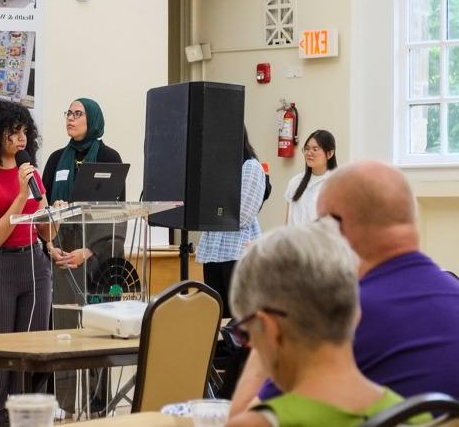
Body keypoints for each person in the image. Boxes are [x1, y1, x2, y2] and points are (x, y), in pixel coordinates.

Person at [230, 160, 459, 416]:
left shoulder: (340, 312)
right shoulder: (453, 292)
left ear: (334, 225)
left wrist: (267, 315)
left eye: (319, 225)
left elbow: (244, 418)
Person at [226, 220, 409, 427]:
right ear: (356, 314)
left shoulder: (259, 423)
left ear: (271, 329)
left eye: (247, 334)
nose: (250, 344)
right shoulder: (420, 416)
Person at [0, 100, 60, 425]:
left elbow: (46, 232)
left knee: (31, 357)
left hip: (34, 265)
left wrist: (54, 214)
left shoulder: (30, 174)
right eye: (13, 132)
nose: (21, 139)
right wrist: (20, 195)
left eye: (24, 132)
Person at [42, 98, 124, 416]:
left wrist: (89, 250)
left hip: (96, 255)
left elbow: (116, 213)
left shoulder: (108, 157)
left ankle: (97, 405)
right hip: (61, 253)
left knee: (97, 331)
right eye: (69, 113)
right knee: (64, 332)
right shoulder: (54, 160)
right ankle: (63, 405)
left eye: (78, 114)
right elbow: (43, 208)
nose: (71, 119)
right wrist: (50, 246)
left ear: (93, 119)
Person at [196, 126, 265, 318]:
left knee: (239, 316)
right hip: (213, 251)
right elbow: (201, 208)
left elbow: (242, 214)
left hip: (238, 251)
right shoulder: (215, 169)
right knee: (215, 315)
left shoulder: (250, 167)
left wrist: (214, 208)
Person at [284, 129, 336, 226]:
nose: (309, 153)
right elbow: (288, 222)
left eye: (315, 149)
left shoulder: (336, 184)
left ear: (330, 153)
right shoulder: (295, 182)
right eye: (307, 149)